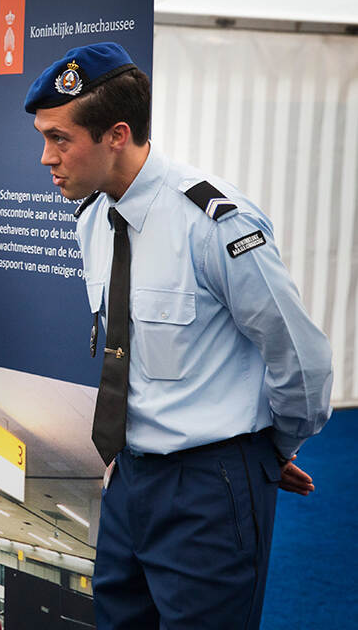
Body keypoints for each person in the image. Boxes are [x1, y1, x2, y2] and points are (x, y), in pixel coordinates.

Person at [25, 42, 333, 629]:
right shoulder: (93, 219)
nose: (46, 157)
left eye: (60, 138)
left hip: (209, 489)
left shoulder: (214, 223)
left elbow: (302, 358)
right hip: (128, 479)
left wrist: (269, 453)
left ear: (117, 136)